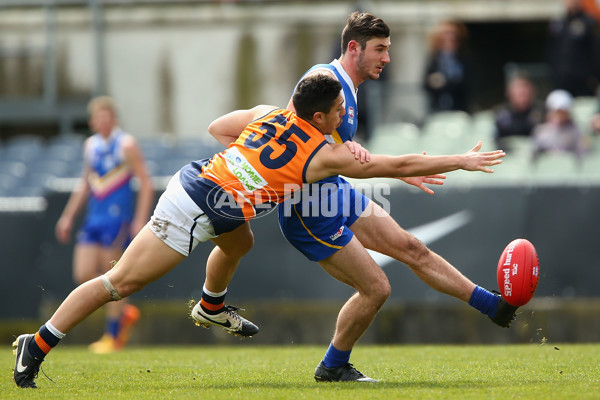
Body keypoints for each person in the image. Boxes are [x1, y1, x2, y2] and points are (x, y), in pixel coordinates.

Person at [12, 74, 507, 389]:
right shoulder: (324, 152)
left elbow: (217, 128)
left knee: (242, 240)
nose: (342, 120)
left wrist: (249, 170)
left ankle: (211, 305)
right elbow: (393, 162)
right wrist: (461, 159)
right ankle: (38, 344)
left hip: (213, 194)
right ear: (318, 116)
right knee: (117, 284)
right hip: (194, 207)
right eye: (337, 113)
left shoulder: (270, 113)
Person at [198, 12, 518, 384]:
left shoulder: (343, 88)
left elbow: (325, 145)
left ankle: (492, 306)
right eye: (380, 49)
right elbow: (295, 141)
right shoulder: (323, 81)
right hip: (310, 210)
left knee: (412, 247)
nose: (386, 58)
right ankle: (333, 366)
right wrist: (458, 160)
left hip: (332, 191)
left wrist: (366, 154)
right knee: (377, 287)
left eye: (388, 49)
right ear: (354, 48)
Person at [54, 96, 154, 353]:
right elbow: (85, 183)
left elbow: (145, 182)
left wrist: (139, 220)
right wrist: (68, 216)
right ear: (91, 121)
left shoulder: (126, 144)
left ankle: (113, 335)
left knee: (112, 277)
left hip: (117, 218)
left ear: (114, 118)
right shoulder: (90, 145)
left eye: (107, 117)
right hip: (94, 218)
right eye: (98, 118)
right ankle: (124, 310)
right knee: (83, 273)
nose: (103, 122)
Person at [546, 0, 600, 97]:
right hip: (562, 82)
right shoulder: (558, 23)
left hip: (583, 83)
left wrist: (593, 78)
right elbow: (552, 52)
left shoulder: (589, 22)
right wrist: (553, 75)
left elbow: (595, 52)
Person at [423, 19, 472, 113]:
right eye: (445, 40)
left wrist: (445, 82)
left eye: (452, 40)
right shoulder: (435, 60)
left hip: (459, 108)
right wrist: (433, 82)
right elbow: (425, 84)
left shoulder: (463, 59)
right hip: (438, 108)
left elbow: (467, 83)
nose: (448, 43)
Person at [493, 75, 545, 151]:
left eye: (525, 87)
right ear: (509, 92)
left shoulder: (542, 112)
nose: (522, 91)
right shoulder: (501, 113)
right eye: (518, 87)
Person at [531, 89, 586, 159]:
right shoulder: (540, 131)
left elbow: (584, 154)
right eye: (556, 112)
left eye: (562, 112)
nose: (559, 115)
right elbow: (534, 152)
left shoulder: (577, 131)